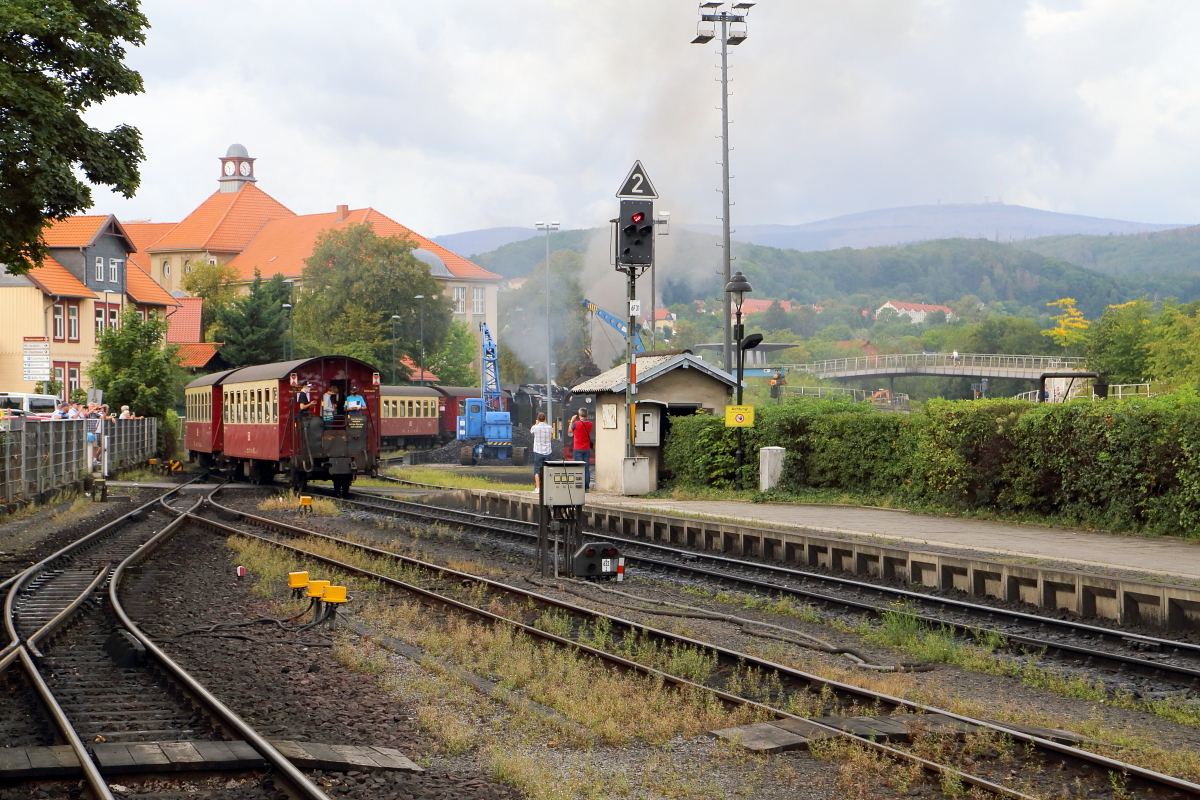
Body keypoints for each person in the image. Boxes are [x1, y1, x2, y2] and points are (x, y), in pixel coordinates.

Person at [569, 407, 594, 489]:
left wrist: (572, 420)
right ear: (587, 415)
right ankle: (586, 486)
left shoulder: (576, 424)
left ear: (579, 415)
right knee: (586, 467)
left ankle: (579, 485)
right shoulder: (590, 424)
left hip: (577, 448)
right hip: (586, 448)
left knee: (578, 467)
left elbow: (569, 430)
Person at [530, 411, 553, 492]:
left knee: (536, 470)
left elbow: (531, 431)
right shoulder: (549, 428)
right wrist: (545, 423)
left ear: (537, 419)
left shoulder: (535, 427)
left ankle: (538, 488)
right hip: (547, 451)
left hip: (538, 451)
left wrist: (536, 423)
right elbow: (552, 432)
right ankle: (547, 488)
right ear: (545, 419)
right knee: (547, 470)